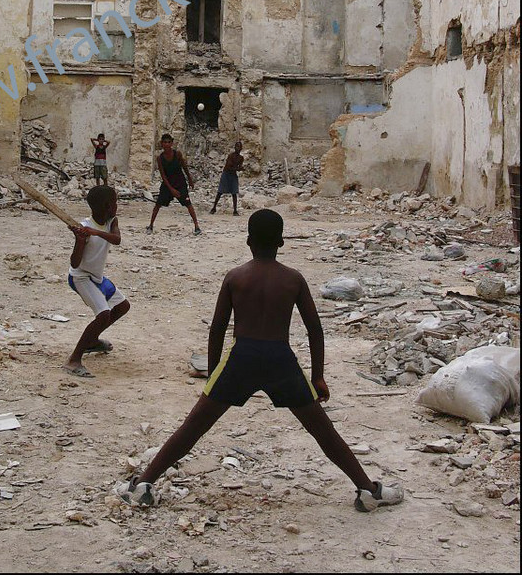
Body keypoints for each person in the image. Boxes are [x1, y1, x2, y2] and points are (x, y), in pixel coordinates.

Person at [120, 209, 403, 513]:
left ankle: (144, 484)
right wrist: (317, 376)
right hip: (280, 359)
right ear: (281, 242)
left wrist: (214, 373)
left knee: (194, 426)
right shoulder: (293, 279)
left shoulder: (235, 277)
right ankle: (367, 489)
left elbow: (217, 329)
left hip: (241, 357)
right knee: (322, 431)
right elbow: (314, 330)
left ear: (248, 241)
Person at [64, 185, 130, 379]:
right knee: (103, 314)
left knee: (122, 306)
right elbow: (75, 263)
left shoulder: (111, 222)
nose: (117, 206)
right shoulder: (84, 227)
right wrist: (80, 240)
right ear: (108, 205)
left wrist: (94, 233)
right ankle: (73, 360)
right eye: (115, 203)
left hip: (97, 278)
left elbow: (116, 239)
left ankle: (91, 341)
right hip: (81, 277)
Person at [147, 133, 201, 236]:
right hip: (168, 184)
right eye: (164, 142)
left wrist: (190, 180)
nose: (167, 144)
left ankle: (197, 226)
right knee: (158, 205)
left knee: (188, 204)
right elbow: (163, 175)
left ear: (171, 143)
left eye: (168, 142)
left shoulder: (177, 154)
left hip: (180, 182)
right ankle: (151, 225)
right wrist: (171, 189)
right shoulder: (160, 158)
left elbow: (184, 167)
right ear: (161, 144)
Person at [210, 141, 244, 215]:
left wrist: (239, 168)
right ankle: (214, 208)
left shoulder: (241, 158)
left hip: (233, 174)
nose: (238, 148)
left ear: (241, 148)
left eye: (239, 147)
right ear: (234, 147)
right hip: (226, 174)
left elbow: (238, 166)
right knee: (220, 191)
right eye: (237, 146)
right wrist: (238, 168)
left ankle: (235, 210)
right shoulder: (231, 156)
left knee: (234, 192)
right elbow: (229, 167)